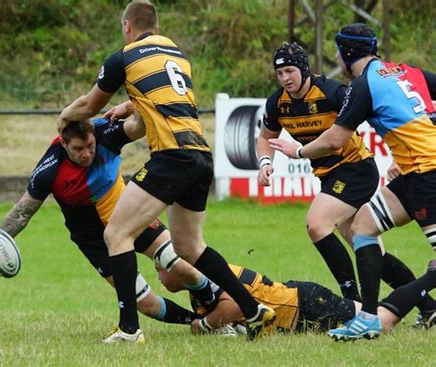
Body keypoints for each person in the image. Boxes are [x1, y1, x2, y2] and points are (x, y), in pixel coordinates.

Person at [57, 1, 275, 343]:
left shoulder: (125, 56)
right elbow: (167, 98)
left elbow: (89, 105)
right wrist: (130, 103)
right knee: (190, 247)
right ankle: (253, 310)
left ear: (127, 25)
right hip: (201, 155)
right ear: (155, 26)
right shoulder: (177, 53)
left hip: (171, 156)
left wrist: (65, 117)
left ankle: (129, 329)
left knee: (116, 234)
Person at [0, 118, 222, 343]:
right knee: (145, 304)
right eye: (78, 149)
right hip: (90, 236)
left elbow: (141, 123)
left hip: (126, 212)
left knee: (182, 266)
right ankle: (198, 323)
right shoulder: (48, 171)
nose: (87, 154)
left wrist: (131, 105)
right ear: (63, 144)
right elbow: (22, 212)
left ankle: (222, 316)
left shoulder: (106, 132)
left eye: (90, 146)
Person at [270, 23, 436, 340]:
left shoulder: (364, 85)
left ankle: (400, 305)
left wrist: (299, 150)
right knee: (363, 227)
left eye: (337, 52)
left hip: (428, 174)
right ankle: (369, 317)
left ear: (347, 54)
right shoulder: (406, 71)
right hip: (412, 172)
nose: (336, 57)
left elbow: (334, 140)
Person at [154, 241, 436, 336]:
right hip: (299, 308)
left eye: (160, 269)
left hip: (307, 304)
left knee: (381, 323)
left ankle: (431, 276)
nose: (159, 278)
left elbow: (234, 307)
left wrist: (203, 325)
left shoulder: (211, 275)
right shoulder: (199, 286)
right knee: (376, 319)